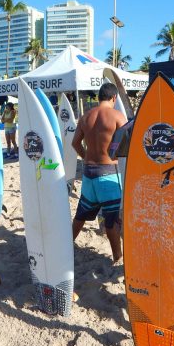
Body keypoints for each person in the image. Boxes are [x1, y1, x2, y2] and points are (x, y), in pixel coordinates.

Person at [72, 83, 126, 263]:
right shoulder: (117, 116)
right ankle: (117, 256)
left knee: (81, 214)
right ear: (114, 98)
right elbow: (128, 144)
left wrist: (86, 156)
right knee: (111, 220)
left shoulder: (86, 116)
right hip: (109, 173)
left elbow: (75, 143)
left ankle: (67, 246)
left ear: (98, 97)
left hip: (89, 172)